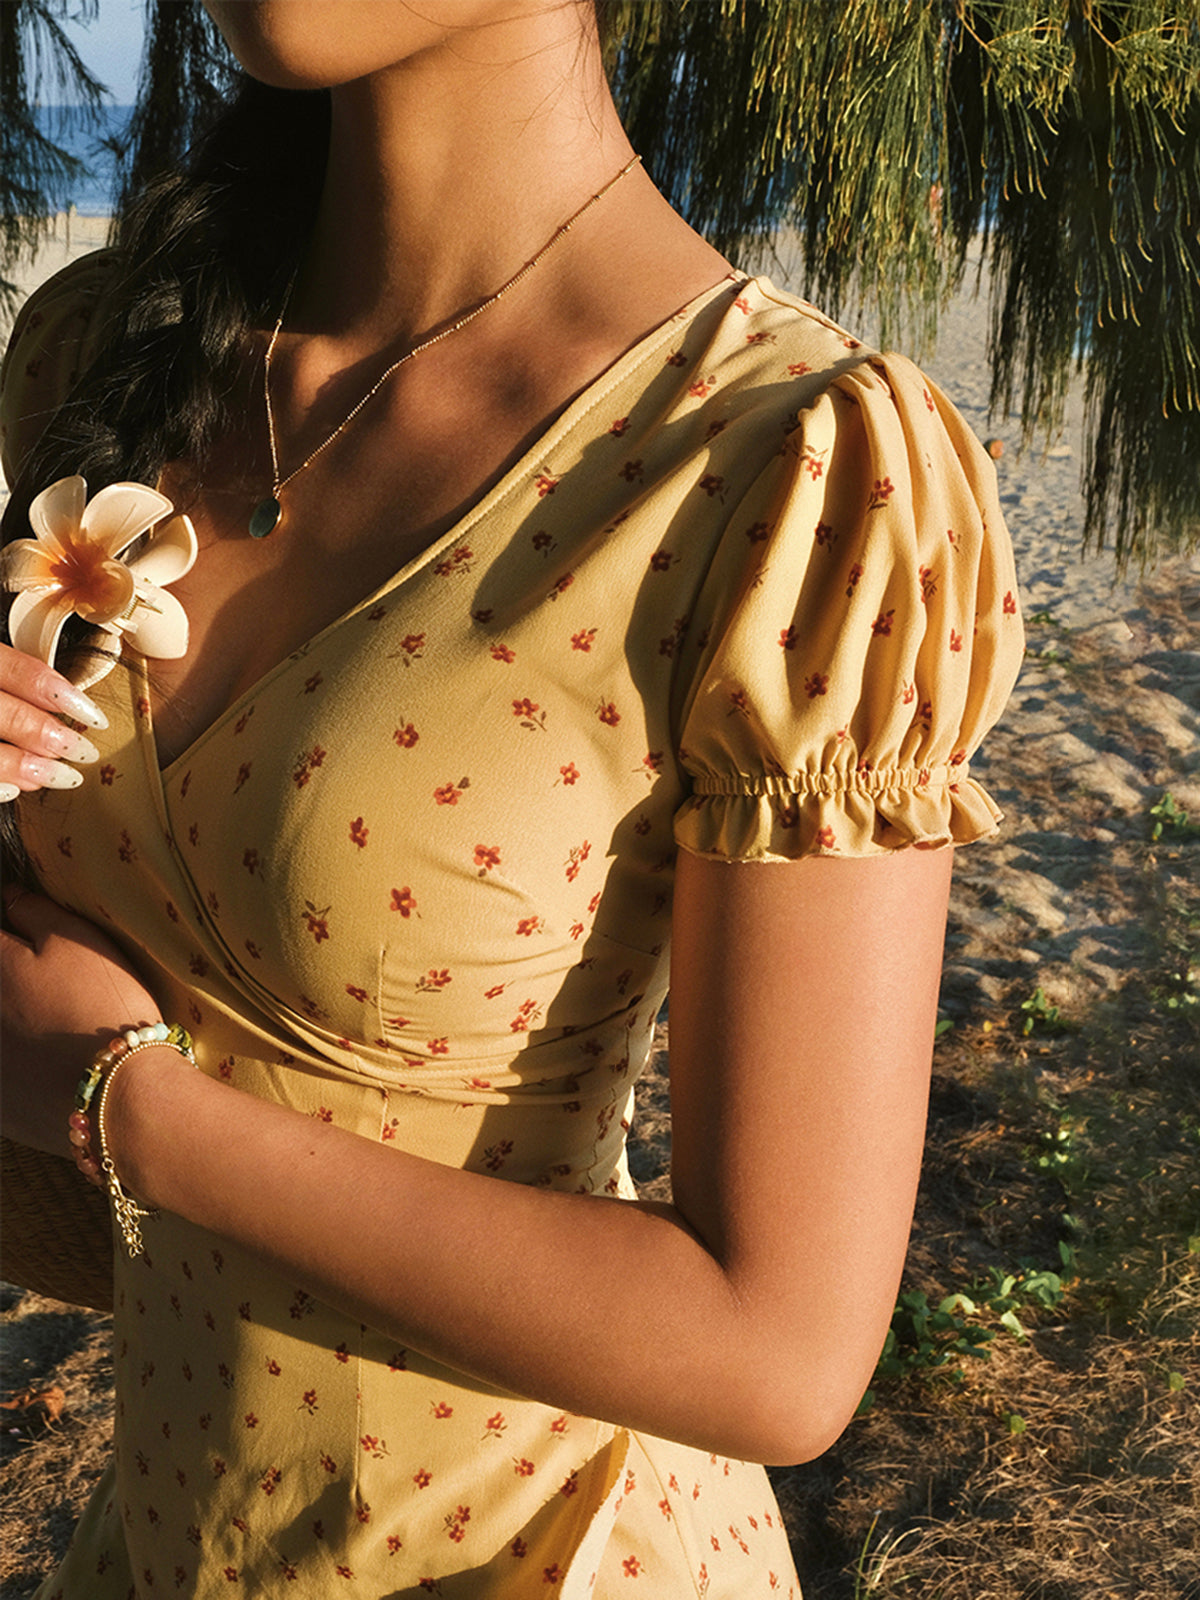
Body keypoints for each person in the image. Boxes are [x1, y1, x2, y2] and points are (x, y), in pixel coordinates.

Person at [0, 3, 1023, 1595]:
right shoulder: (106, 365)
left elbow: (780, 1354)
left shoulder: (783, 463)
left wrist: (127, 1105)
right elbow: (69, 1225)